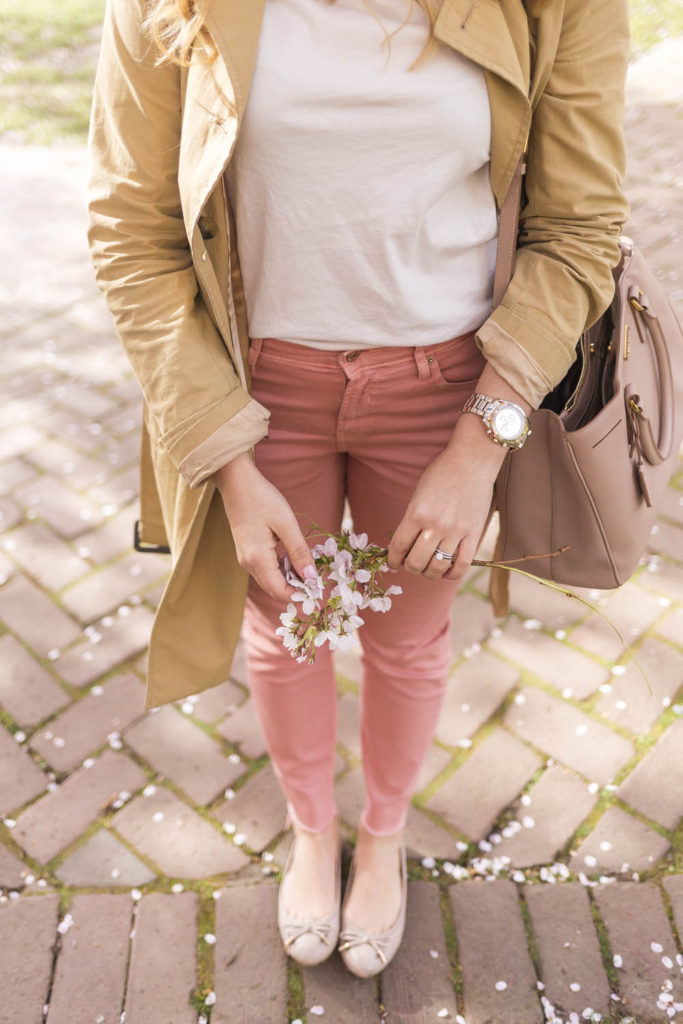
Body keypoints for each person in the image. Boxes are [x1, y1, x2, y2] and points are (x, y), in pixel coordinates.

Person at [87, 0, 630, 978]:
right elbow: (131, 227)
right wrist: (223, 455)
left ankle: (379, 836)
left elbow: (579, 224)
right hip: (256, 387)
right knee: (282, 618)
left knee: (409, 633)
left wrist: (479, 448)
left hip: (453, 396)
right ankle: (310, 827)